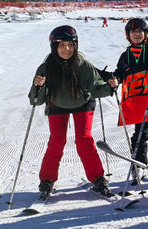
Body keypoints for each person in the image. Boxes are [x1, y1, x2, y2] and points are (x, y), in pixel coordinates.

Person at [29, 25, 115, 200]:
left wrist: (109, 87)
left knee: (84, 139)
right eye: (61, 45)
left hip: (82, 102)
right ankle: (46, 180)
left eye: (70, 45)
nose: (67, 49)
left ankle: (98, 178)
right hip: (56, 104)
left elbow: (97, 89)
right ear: (54, 47)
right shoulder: (45, 68)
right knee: (57, 141)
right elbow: (36, 100)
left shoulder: (83, 65)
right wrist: (38, 86)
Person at [110, 18, 148, 168]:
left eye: (140, 31)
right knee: (140, 133)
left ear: (146, 34)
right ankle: (139, 164)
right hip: (138, 101)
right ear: (128, 35)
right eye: (133, 32)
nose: (137, 34)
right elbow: (120, 72)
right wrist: (116, 79)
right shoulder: (125, 55)